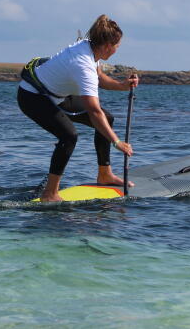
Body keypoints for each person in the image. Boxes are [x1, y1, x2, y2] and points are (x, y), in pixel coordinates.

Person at [17, 15, 139, 202]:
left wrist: (122, 85)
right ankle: (49, 194)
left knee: (108, 119)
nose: (117, 50)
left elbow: (99, 78)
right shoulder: (83, 64)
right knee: (68, 135)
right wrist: (117, 142)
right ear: (107, 45)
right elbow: (94, 111)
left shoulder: (92, 48)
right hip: (32, 97)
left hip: (57, 94)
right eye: (117, 46)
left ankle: (105, 175)